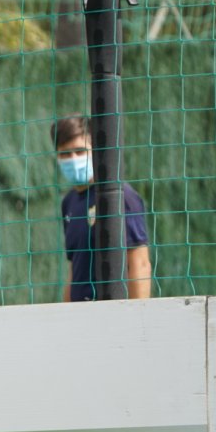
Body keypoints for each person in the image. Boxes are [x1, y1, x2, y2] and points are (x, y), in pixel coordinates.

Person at [53, 115, 152, 301]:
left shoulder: (122, 196)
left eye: (80, 151)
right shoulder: (68, 203)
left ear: (96, 151)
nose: (73, 159)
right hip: (80, 319)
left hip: (111, 314)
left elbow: (140, 263)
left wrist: (138, 319)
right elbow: (74, 269)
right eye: (65, 154)